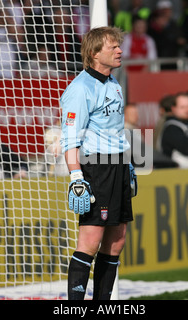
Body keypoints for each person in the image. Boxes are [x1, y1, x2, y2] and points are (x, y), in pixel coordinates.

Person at [60, 26, 136, 300]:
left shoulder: (114, 82)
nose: (119, 51)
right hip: (96, 169)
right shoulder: (79, 89)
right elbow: (69, 139)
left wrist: (126, 163)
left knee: (116, 241)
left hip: (117, 166)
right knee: (90, 241)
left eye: (119, 46)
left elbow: (114, 130)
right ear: (94, 53)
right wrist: (76, 178)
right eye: (113, 47)